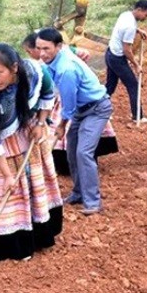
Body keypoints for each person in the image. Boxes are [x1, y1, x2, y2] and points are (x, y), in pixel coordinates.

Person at [0, 43, 62, 261]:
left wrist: (39, 122)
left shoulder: (36, 72)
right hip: (1, 148)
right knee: (6, 190)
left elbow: (48, 94)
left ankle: (37, 235)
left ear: (14, 68)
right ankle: (9, 244)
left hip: (29, 134)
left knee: (34, 183)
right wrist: (8, 175)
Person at [36, 28, 113, 215]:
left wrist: (61, 125)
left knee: (83, 152)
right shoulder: (55, 58)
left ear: (58, 47)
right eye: (39, 48)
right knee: (71, 151)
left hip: (96, 109)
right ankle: (78, 192)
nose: (42, 53)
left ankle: (93, 202)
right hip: (81, 108)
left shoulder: (66, 70)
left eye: (46, 49)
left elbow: (67, 105)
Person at [22, 32, 118, 176]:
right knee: (73, 140)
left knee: (73, 137)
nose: (39, 53)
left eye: (31, 51)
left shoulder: (63, 67)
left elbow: (61, 97)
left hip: (70, 100)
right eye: (38, 49)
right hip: (69, 100)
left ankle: (82, 176)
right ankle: (74, 172)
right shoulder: (47, 60)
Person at [105, 0, 147, 122]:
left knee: (110, 86)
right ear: (139, 10)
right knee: (133, 85)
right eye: (146, 14)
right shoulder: (130, 26)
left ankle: (96, 109)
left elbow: (126, 29)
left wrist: (139, 30)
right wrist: (136, 65)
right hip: (117, 58)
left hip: (110, 53)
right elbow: (127, 50)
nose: (145, 17)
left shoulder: (126, 15)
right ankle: (138, 117)